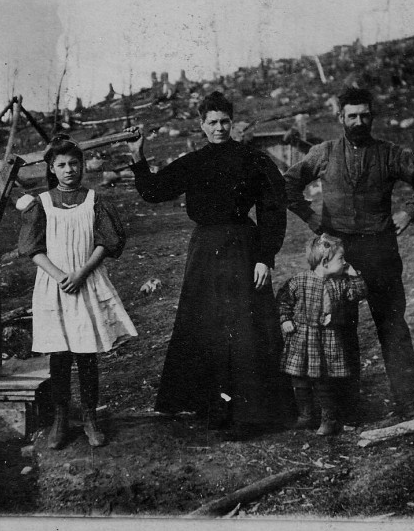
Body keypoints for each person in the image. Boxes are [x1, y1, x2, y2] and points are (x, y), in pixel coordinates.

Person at [124, 90, 290, 438]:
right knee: (209, 329)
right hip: (206, 254)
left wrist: (265, 258)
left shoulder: (253, 159)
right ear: (202, 126)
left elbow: (273, 209)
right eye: (212, 122)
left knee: (245, 330)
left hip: (243, 250)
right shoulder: (194, 162)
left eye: (224, 122)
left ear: (233, 123)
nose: (219, 128)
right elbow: (154, 190)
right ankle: (215, 410)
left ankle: (251, 413)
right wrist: (138, 159)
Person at [283, 86, 414, 420]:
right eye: (351, 115)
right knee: (339, 329)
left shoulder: (389, 153)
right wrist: (312, 218)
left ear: (372, 116)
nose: (358, 121)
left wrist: (409, 212)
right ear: (340, 117)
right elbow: (288, 183)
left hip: (381, 251)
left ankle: (408, 400)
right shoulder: (323, 153)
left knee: (392, 326)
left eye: (364, 115)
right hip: (339, 255)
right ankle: (346, 406)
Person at [18, 136, 137, 449]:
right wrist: (60, 276)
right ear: (52, 169)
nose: (69, 169)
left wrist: (81, 273)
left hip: (87, 280)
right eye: (61, 165)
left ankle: (89, 418)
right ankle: (59, 420)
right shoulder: (41, 203)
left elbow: (107, 241)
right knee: (59, 355)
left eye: (74, 163)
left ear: (82, 165)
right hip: (55, 286)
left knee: (86, 353)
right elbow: (32, 248)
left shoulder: (94, 200)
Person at [277, 234, 367, 436]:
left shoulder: (341, 283)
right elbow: (283, 300)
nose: (345, 262)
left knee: (324, 381)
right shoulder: (299, 281)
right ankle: (306, 415)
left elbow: (358, 294)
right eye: (341, 259)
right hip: (302, 338)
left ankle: (329, 419)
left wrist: (354, 275)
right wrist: (286, 319)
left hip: (327, 339)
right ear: (325, 262)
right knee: (299, 378)